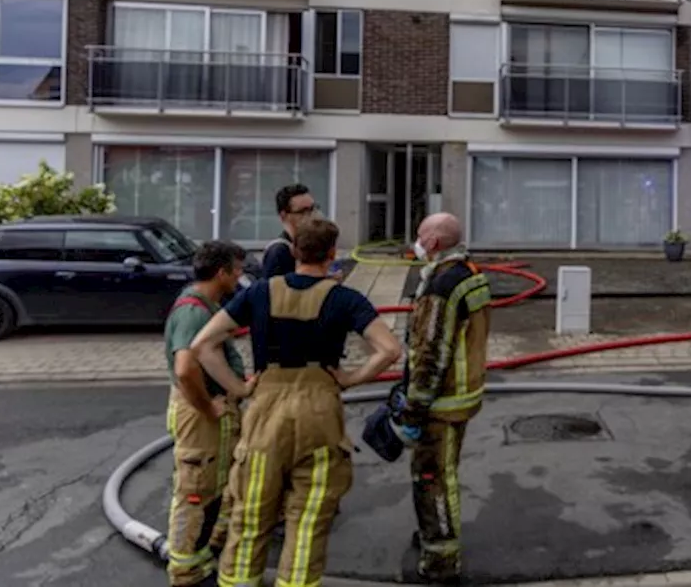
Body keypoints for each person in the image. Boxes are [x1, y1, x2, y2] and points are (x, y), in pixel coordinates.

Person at [191, 218, 402, 587]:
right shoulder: (344, 298)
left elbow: (202, 346)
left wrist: (239, 389)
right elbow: (389, 350)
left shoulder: (259, 292)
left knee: (250, 515)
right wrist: (351, 379)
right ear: (332, 255)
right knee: (307, 522)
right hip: (321, 414)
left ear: (294, 252)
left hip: (264, 413)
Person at [395, 212, 492, 584]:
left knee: (432, 476)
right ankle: (435, 538)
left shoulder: (442, 286)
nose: (416, 242)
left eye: (420, 235)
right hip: (464, 394)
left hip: (441, 403)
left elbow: (431, 351)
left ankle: (440, 558)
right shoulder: (469, 274)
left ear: (434, 242)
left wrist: (413, 406)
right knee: (443, 471)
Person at [162, 241, 249, 587]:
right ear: (221, 272)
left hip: (207, 410)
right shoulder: (194, 312)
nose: (240, 277)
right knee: (195, 490)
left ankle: (202, 556)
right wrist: (207, 406)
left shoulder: (203, 305)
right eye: (237, 271)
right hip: (199, 414)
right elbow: (185, 369)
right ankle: (185, 570)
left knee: (214, 486)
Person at [261, 183, 318, 279]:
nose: (311, 215)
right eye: (303, 211)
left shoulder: (308, 246)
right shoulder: (279, 252)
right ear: (284, 215)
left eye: (313, 209)